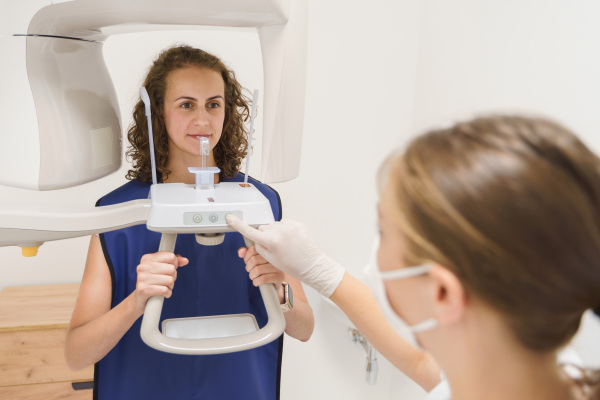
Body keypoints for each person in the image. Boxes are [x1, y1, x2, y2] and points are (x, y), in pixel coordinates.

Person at [228, 115, 600, 400]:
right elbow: (424, 364)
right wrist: (317, 269)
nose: (377, 245)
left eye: (383, 231)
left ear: (442, 294)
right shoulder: (539, 366)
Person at [65, 45, 314, 400]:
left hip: (241, 386)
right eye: (186, 105)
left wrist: (280, 293)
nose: (202, 120)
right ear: (157, 114)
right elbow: (76, 354)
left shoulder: (260, 204)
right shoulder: (117, 214)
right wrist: (137, 301)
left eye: (213, 104)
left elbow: (304, 328)